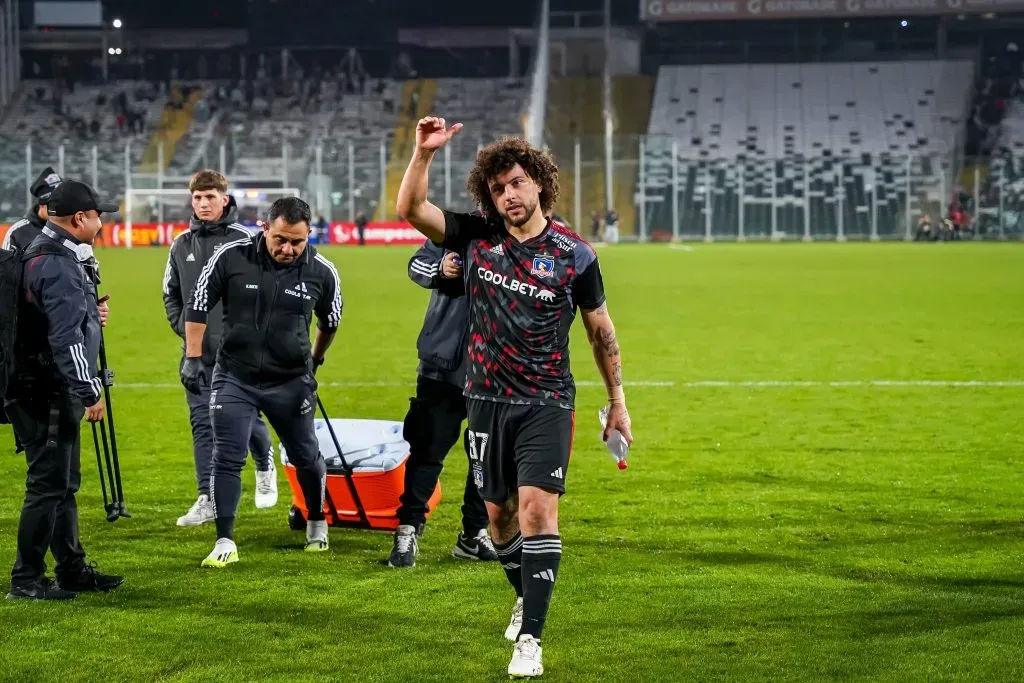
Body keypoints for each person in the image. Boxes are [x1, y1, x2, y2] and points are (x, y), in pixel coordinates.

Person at [396, 118, 632, 678]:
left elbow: (601, 330)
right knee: (499, 521)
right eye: (499, 187)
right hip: (484, 400)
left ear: (541, 185)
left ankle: (531, 639)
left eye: (519, 182)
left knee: (536, 512)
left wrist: (617, 398)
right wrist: (422, 154)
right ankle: (525, 591)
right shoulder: (478, 235)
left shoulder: (575, 253)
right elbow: (411, 210)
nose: (510, 195)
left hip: (547, 400)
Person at [181, 197, 342, 568]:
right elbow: (198, 302)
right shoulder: (230, 257)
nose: (288, 249)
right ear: (265, 228)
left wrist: (314, 362)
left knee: (305, 455)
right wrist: (192, 357)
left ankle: (316, 522)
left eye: (297, 242)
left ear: (308, 236)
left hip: (290, 381)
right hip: (234, 376)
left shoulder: (322, 271)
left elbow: (330, 321)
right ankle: (224, 540)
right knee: (227, 456)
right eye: (281, 239)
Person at [5, 180, 124, 600]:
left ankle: (71, 570)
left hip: (42, 387)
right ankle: (26, 581)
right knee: (46, 486)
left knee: (62, 484)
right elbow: (65, 340)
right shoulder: (55, 261)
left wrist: (92, 310)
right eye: (98, 215)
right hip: (48, 392)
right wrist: (89, 390)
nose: (102, 221)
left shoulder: (45, 252)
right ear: (79, 218)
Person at [162, 170, 277, 527]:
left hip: (239, 354)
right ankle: (207, 498)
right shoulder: (180, 245)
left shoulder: (247, 241)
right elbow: (170, 293)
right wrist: (186, 335)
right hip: (196, 354)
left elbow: (268, 292)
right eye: (197, 198)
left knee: (246, 421)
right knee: (202, 424)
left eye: (210, 197)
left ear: (225, 199)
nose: (203, 204)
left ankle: (264, 461)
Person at [388, 240, 497, 568]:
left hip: (495, 371)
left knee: (486, 456)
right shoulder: (456, 231)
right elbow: (416, 265)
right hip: (442, 365)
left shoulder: (526, 237)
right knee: (427, 451)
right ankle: (407, 530)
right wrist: (440, 268)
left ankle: (474, 534)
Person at [1, 167, 63, 252]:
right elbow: (6, 264)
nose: (59, 208)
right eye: (54, 204)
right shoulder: (18, 232)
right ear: (42, 204)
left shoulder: (70, 227)